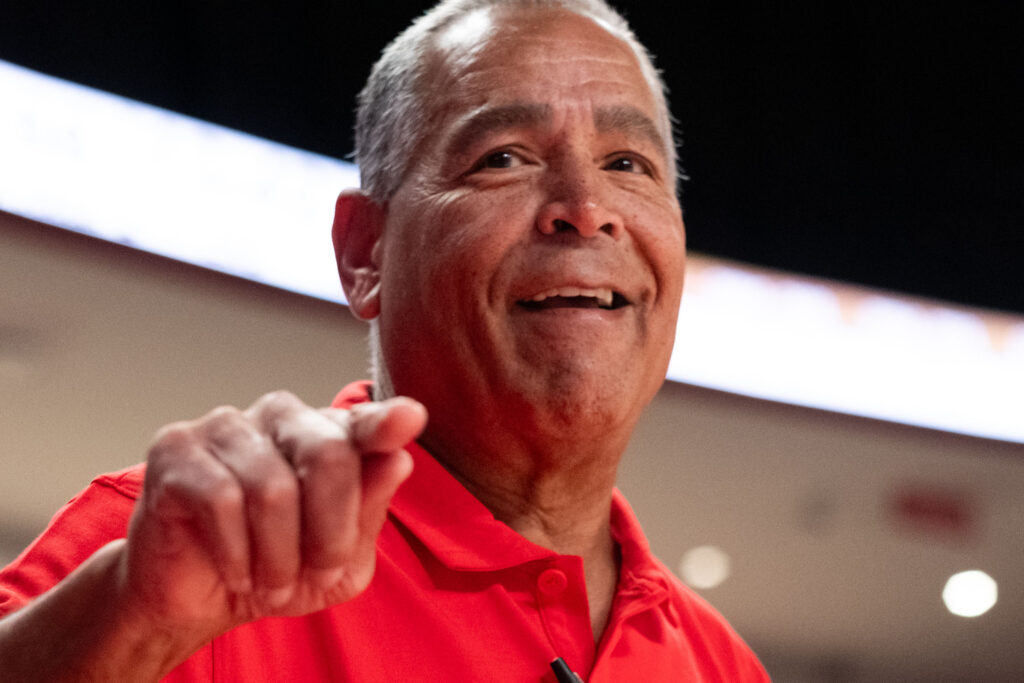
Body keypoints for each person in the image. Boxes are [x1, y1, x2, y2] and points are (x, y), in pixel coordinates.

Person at [0, 0, 769, 680]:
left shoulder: (723, 665)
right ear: (365, 252)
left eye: (627, 163)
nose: (585, 207)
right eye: (503, 158)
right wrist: (135, 630)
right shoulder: (168, 557)